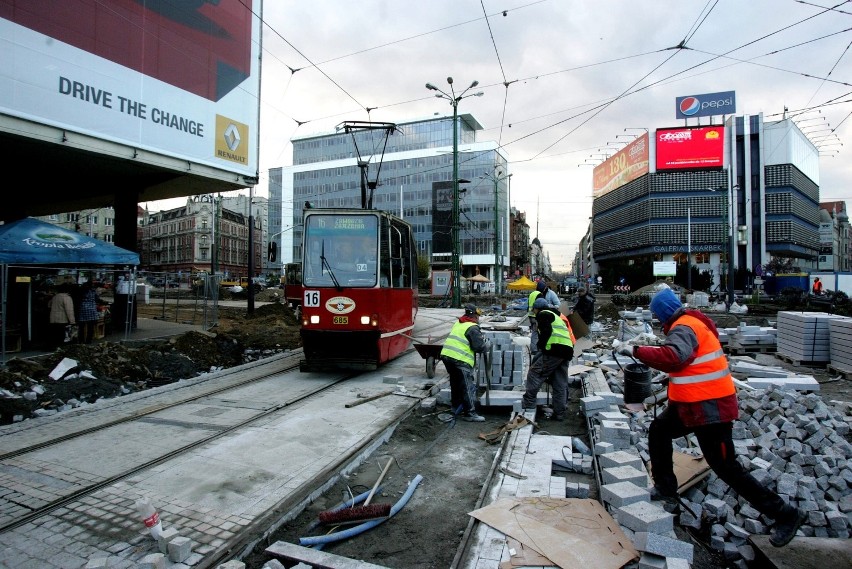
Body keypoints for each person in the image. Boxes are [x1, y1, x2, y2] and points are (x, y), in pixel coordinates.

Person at [614, 287, 805, 548]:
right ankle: (666, 487)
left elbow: (674, 356)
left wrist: (636, 351)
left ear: (663, 314)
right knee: (659, 430)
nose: (658, 322)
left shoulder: (684, 327)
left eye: (658, 316)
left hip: (710, 409)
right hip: (690, 406)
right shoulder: (689, 324)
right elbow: (688, 361)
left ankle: (785, 514)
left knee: (726, 467)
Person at [522, 298, 574, 420]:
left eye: (534, 310)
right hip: (566, 351)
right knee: (559, 382)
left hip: (554, 350)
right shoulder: (557, 316)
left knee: (534, 374)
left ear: (537, 308)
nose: (534, 313)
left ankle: (528, 404)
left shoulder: (543, 314)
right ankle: (559, 413)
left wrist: (541, 347)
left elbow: (546, 332)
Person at [440, 303, 492, 422]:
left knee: (455, 383)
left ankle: (455, 407)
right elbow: (479, 347)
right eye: (477, 317)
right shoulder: (472, 327)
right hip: (460, 359)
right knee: (466, 386)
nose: (478, 319)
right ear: (474, 316)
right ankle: (470, 413)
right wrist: (487, 345)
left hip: (447, 356)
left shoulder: (459, 323)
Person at [48, 283, 76, 348]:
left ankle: (53, 347)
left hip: (53, 319)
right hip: (62, 319)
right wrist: (72, 321)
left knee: (54, 334)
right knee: (61, 335)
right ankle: (60, 348)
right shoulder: (67, 297)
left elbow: (49, 305)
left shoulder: (55, 297)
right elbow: (69, 310)